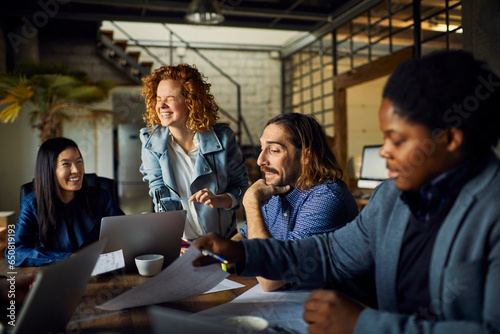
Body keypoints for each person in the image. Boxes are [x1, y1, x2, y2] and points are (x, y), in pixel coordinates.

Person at [192, 50, 500, 333]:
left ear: (450, 139)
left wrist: (362, 324)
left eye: (398, 140)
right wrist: (242, 252)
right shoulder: (390, 197)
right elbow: (331, 252)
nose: (384, 152)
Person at [232, 113, 358, 291]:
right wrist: (215, 255)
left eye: (274, 150)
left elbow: (271, 279)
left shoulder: (326, 198)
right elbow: (245, 236)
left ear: (306, 156)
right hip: (291, 302)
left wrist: (251, 203)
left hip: (336, 309)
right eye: (261, 148)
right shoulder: (279, 189)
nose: (260, 160)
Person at [140, 64, 249, 241]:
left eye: (170, 98)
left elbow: (241, 188)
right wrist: (171, 244)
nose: (161, 105)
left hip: (223, 241)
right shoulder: (151, 143)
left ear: (191, 101)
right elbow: (159, 195)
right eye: (158, 98)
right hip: (180, 245)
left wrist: (219, 200)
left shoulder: (222, 138)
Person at [8, 137, 124, 267]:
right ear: (49, 170)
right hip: (56, 276)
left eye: (79, 162)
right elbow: (15, 253)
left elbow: (126, 235)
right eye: (66, 164)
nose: (76, 170)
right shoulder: (32, 203)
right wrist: (67, 258)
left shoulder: (102, 197)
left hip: (101, 273)